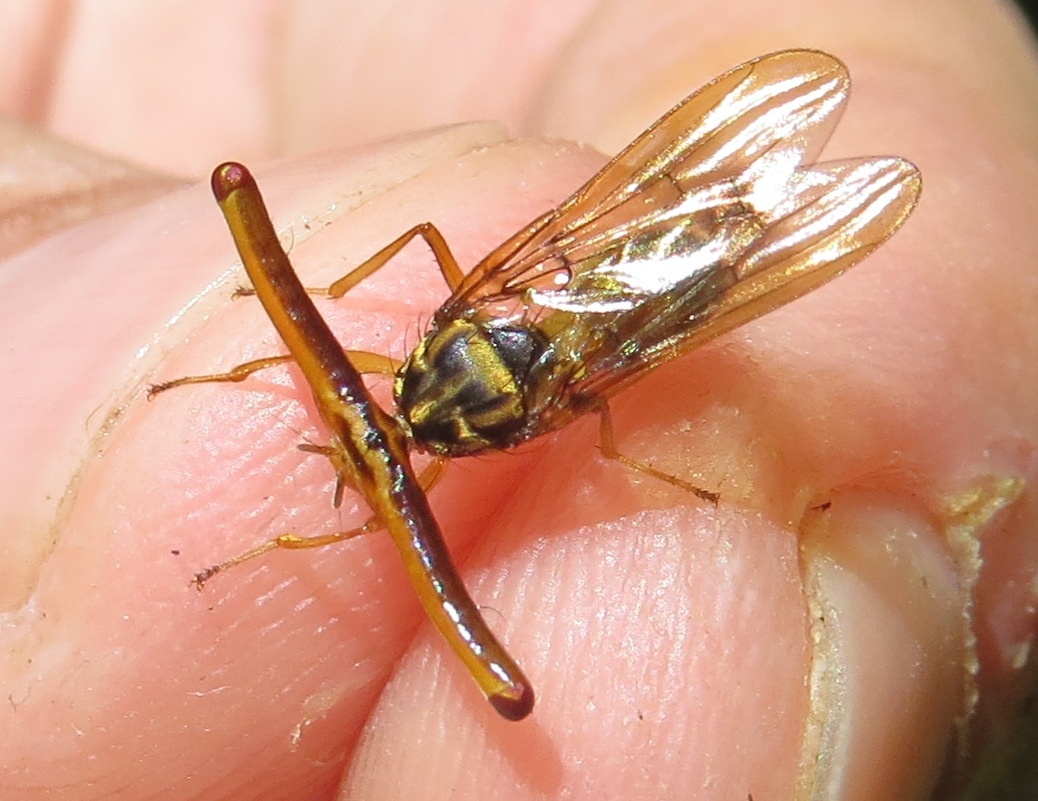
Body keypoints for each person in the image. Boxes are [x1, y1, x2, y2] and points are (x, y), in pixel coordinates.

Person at [2, 3, 1036, 799]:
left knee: (606, 414)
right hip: (562, 282)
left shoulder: (463, 435)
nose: (357, 466)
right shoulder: (435, 372)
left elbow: (593, 414)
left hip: (622, 319)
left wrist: (263, 546)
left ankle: (750, 226)